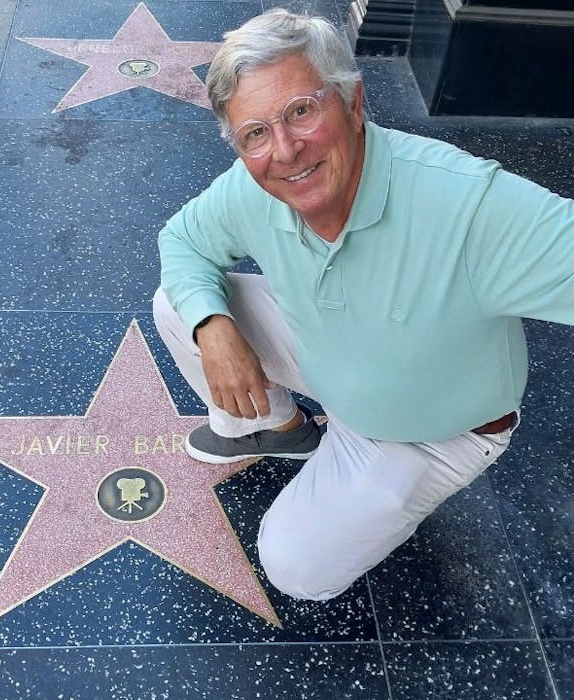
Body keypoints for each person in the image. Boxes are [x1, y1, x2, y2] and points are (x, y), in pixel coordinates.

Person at [152, 8, 574, 601]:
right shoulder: (253, 182)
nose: (286, 151)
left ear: (352, 103)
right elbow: (182, 239)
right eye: (255, 133)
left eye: (301, 110)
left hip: (429, 431)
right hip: (329, 352)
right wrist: (214, 325)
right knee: (182, 304)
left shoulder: (468, 206)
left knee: (294, 567)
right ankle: (279, 428)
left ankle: (376, 492)